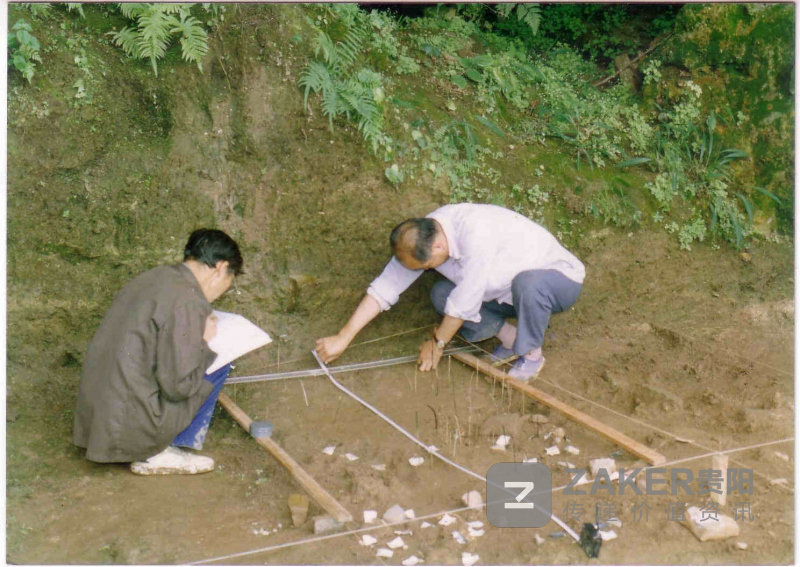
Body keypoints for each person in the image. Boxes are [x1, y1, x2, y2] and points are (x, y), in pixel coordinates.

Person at [316, 203, 584, 382]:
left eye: (426, 267)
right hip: (503, 291)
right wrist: (344, 336)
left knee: (529, 284)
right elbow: (385, 287)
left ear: (437, 249)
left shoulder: (476, 233)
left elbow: (466, 300)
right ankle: (512, 339)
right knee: (443, 294)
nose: (425, 270)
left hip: (557, 282)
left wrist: (438, 344)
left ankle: (532, 355)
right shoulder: (423, 237)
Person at [73, 228, 243, 475]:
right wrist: (204, 342)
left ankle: (149, 441)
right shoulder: (189, 300)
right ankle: (159, 451)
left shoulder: (155, 276)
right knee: (217, 362)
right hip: (130, 426)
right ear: (220, 268)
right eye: (230, 280)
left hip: (98, 417)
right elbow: (179, 386)